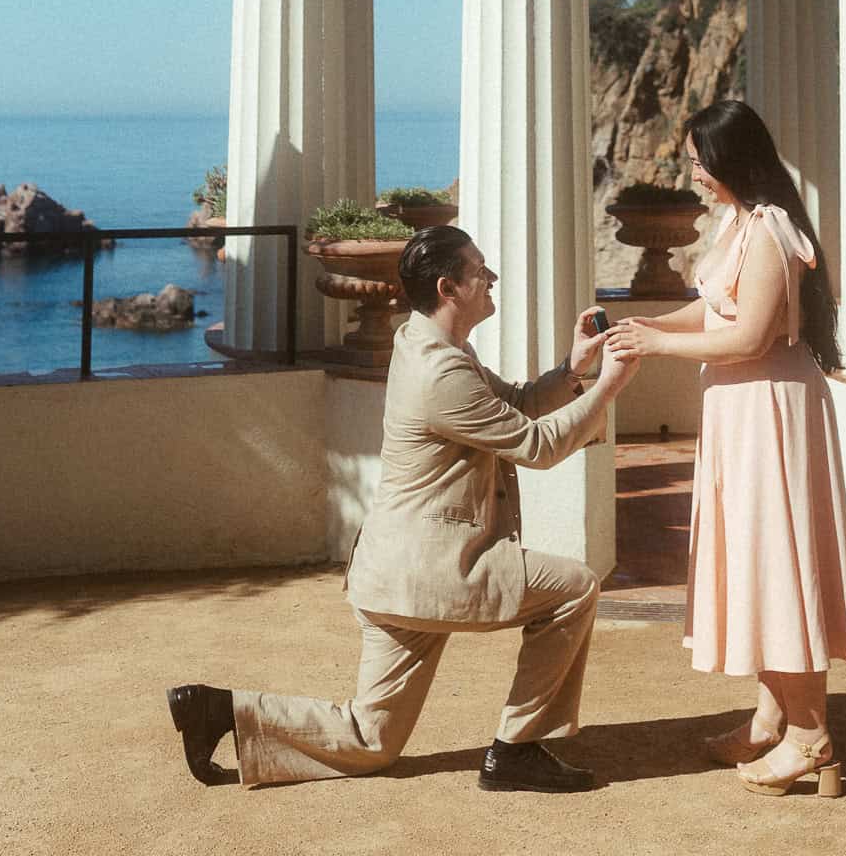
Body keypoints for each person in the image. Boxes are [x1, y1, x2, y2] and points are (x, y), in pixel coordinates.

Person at [167, 223, 636, 795]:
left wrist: (573, 370)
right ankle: (517, 750)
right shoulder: (441, 371)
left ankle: (219, 710)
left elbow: (512, 403)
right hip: (434, 569)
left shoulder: (430, 345)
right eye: (479, 270)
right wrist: (607, 388)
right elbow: (535, 446)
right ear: (449, 287)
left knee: (372, 741)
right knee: (575, 587)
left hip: (393, 574)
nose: (491, 278)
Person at [605, 99, 846, 797]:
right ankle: (770, 717)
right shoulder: (740, 224)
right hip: (742, 409)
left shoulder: (772, 231)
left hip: (768, 412)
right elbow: (715, 307)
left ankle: (811, 740)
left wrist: (658, 344)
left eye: (696, 161)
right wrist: (644, 326)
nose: (691, 174)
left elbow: (749, 337)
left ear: (730, 160)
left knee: (775, 566)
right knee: (757, 563)